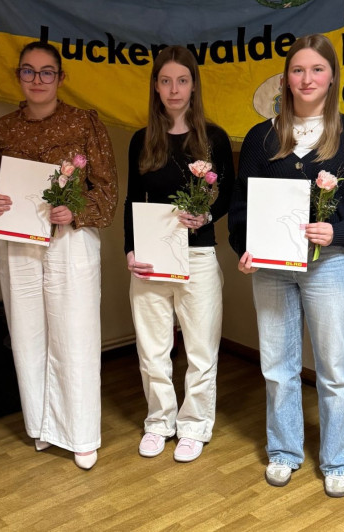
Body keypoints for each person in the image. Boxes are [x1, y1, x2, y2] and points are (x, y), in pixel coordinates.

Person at [228, 34, 344, 497]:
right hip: (271, 268)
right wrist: (245, 247)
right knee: (277, 365)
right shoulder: (261, 138)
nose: (307, 79)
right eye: (298, 70)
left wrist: (339, 232)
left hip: (330, 266)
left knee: (334, 368)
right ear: (285, 79)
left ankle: (338, 459)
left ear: (332, 76)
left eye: (317, 69)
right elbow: (241, 206)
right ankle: (284, 450)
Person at [0, 41, 118, 470]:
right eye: (28, 71)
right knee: (26, 334)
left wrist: (75, 210)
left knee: (75, 334)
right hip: (18, 242)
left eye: (46, 72)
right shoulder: (2, 129)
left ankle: (80, 433)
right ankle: (41, 425)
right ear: (18, 76)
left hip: (69, 240)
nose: (37, 79)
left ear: (60, 78)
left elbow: (107, 190)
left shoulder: (84, 123)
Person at [124, 45, 233, 463]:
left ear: (193, 86)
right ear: (156, 86)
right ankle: (159, 422)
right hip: (151, 258)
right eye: (166, 81)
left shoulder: (213, 139)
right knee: (153, 350)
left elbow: (228, 196)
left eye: (182, 81)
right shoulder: (141, 140)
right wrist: (130, 251)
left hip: (198, 257)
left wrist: (206, 216)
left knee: (201, 350)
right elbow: (133, 201)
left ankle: (194, 426)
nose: (174, 90)